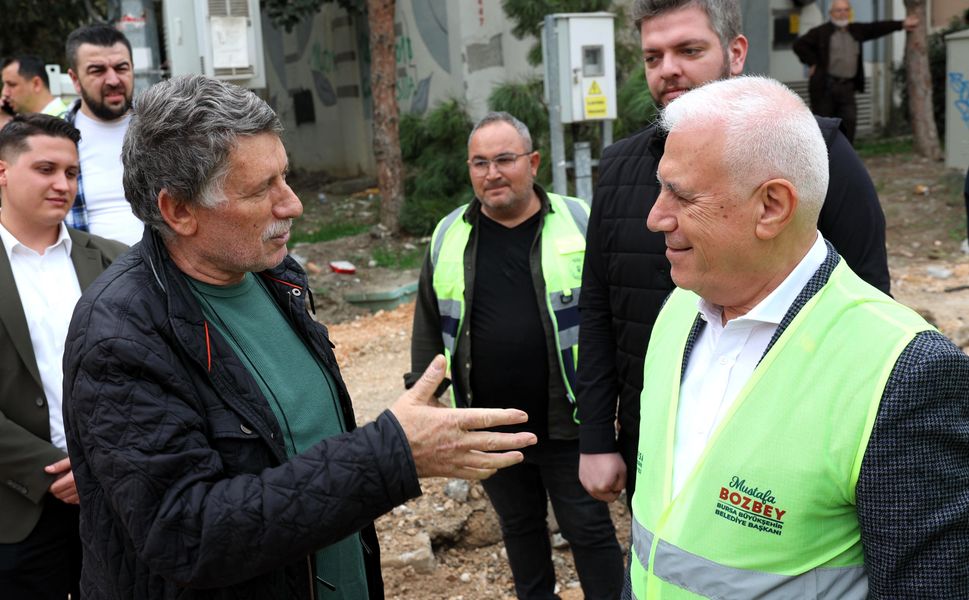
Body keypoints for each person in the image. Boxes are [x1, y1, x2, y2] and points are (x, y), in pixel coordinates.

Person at [62, 75, 537, 600]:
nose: (292, 205)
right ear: (178, 211)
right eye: (260, 189)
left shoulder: (273, 275)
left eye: (284, 177)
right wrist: (390, 454)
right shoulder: (119, 334)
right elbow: (188, 533)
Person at [628, 74, 969, 598]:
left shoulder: (903, 370)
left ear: (772, 207)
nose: (656, 217)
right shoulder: (678, 309)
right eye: (660, 187)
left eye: (682, 195)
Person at [576, 0, 891, 508]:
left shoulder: (816, 155)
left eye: (688, 50)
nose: (668, 68)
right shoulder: (617, 170)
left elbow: (868, 307)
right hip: (655, 442)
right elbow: (596, 305)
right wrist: (595, 436)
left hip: (783, 457)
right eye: (653, 57)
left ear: (736, 52)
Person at [408, 112, 624, 600]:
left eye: (504, 159)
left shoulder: (580, 220)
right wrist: (423, 391)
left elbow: (615, 312)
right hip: (489, 426)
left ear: (533, 162)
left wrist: (615, 400)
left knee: (589, 531)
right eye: (480, 163)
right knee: (520, 530)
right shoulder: (449, 233)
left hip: (572, 422)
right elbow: (429, 319)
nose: (492, 173)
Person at [0, 114, 126, 599]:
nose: (63, 184)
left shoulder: (116, 260)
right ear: (3, 172)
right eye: (46, 169)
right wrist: (47, 469)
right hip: (17, 505)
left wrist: (103, 460)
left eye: (72, 173)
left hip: (114, 492)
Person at [793, 0, 918, 144]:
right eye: (839, 10)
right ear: (831, 13)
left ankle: (845, 155)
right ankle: (824, 157)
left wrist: (902, 24)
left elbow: (876, 28)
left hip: (847, 88)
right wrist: (812, 62)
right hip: (825, 88)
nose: (843, 13)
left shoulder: (855, 31)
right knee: (824, 128)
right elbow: (799, 45)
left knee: (849, 123)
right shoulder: (821, 32)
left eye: (846, 10)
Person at [63, 24, 143, 246]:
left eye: (121, 68)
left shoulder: (163, 128)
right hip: (88, 264)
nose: (113, 80)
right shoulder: (55, 139)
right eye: (97, 70)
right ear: (75, 79)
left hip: (164, 263)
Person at [1, 55, 70, 117]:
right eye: (4, 85)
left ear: (36, 84)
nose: (4, 93)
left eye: (12, 85)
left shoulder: (64, 122)